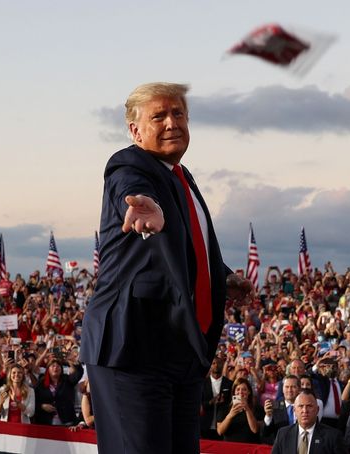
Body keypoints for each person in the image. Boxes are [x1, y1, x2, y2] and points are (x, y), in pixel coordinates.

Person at [80, 82, 249, 454]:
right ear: (135, 130)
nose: (172, 122)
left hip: (181, 352)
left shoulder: (183, 177)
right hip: (133, 349)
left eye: (179, 114)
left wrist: (222, 276)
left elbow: (183, 246)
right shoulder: (129, 164)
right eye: (159, 116)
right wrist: (146, 206)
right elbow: (133, 189)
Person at [272, 390, 346, 454]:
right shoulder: (283, 434)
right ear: (294, 410)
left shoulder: (333, 436)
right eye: (301, 406)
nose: (305, 411)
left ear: (317, 410)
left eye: (309, 406)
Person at [34, 358, 83, 426]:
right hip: (46, 422)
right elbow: (34, 400)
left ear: (61, 369)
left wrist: (75, 364)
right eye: (53, 366)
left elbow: (78, 374)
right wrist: (42, 406)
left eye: (58, 366)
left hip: (67, 421)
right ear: (48, 369)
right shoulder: (41, 382)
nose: (55, 368)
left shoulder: (67, 380)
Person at [216, 377, 260, 443]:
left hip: (249, 448)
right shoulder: (224, 408)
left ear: (249, 392)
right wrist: (230, 415)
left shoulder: (256, 408)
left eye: (244, 389)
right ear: (234, 392)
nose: (241, 392)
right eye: (238, 389)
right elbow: (220, 431)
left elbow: (255, 430)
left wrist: (247, 409)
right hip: (230, 447)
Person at [200, 356, 233, 440]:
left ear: (223, 365)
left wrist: (223, 403)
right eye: (213, 363)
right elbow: (199, 404)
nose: (216, 365)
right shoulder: (203, 383)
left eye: (219, 363)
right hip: (204, 426)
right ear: (210, 365)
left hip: (223, 426)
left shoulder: (229, 383)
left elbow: (231, 404)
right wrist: (211, 402)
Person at [263, 374, 300, 444]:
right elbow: (265, 434)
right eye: (287, 387)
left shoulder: (304, 406)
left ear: (299, 389)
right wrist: (268, 416)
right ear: (282, 389)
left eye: (293, 387)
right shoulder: (273, 407)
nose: (289, 390)